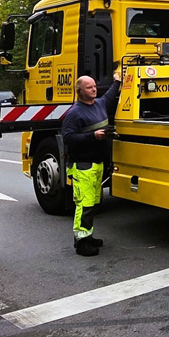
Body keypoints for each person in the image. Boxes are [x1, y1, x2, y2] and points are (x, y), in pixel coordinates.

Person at [61, 69, 122, 256]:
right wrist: (92, 136)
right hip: (83, 165)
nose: (94, 89)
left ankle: (88, 236)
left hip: (97, 165)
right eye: (89, 87)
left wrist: (117, 81)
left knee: (93, 203)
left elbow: (110, 95)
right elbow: (68, 138)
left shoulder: (99, 104)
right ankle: (81, 242)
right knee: (84, 205)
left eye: (95, 86)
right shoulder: (74, 113)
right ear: (80, 91)